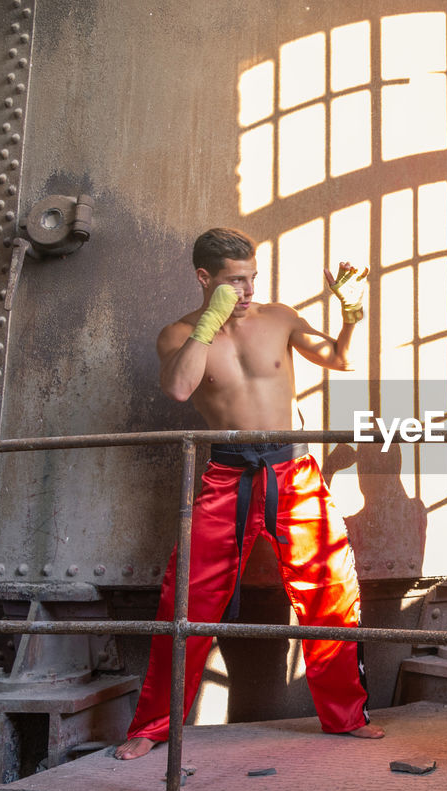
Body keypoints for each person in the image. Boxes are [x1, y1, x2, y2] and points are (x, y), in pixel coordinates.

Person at [115, 227, 382, 759]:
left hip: (293, 471)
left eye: (253, 277)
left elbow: (340, 358)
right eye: (235, 281)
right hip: (227, 476)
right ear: (204, 278)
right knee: (184, 600)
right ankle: (152, 728)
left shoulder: (278, 317)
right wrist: (211, 322)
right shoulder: (179, 334)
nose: (248, 289)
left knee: (330, 591)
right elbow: (179, 388)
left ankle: (345, 717)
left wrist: (352, 316)